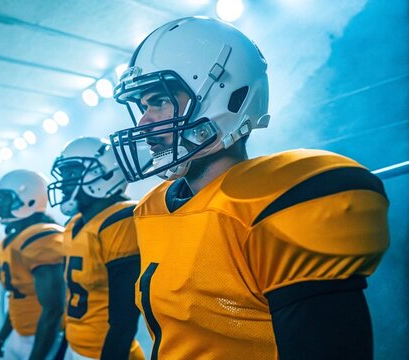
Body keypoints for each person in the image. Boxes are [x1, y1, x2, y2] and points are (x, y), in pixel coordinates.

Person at [108, 16, 390, 360]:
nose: (143, 121)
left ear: (223, 95)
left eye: (159, 101)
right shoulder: (153, 209)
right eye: (142, 106)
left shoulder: (272, 202)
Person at [48, 136, 145, 360]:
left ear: (107, 174)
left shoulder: (119, 221)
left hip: (106, 352)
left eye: (71, 174)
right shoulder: (74, 224)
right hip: (77, 345)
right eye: (63, 175)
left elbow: (124, 319)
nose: (63, 183)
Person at [0, 169, 66, 360]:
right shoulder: (13, 240)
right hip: (20, 331)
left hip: (43, 337)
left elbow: (54, 309)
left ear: (30, 200)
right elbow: (17, 296)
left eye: (5, 199)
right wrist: (2, 337)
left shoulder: (41, 238)